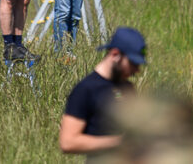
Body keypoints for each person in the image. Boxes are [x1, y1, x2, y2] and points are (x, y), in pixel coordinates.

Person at [60, 26, 146, 156]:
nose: (137, 70)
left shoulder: (128, 87)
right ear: (115, 54)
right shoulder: (85, 90)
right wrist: (119, 142)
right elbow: (68, 142)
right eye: (133, 63)